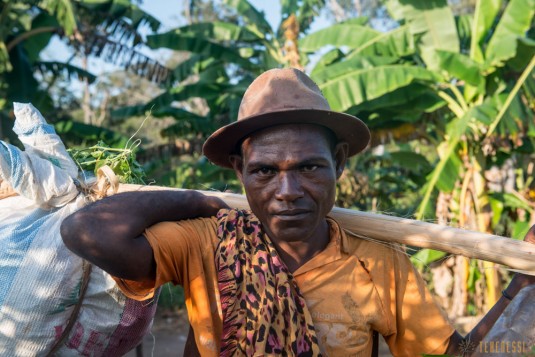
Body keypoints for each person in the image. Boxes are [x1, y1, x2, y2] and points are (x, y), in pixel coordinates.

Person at [61, 68, 535, 356]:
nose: (288, 191)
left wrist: (521, 284)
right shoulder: (206, 241)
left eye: (309, 167)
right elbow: (87, 230)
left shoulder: (380, 264)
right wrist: (202, 201)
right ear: (239, 171)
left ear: (339, 166)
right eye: (265, 171)